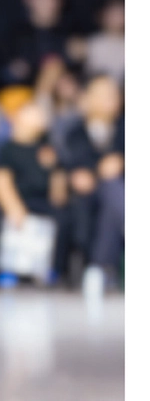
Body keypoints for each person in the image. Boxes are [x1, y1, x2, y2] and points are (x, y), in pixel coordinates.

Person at [0, 95, 69, 285]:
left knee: (63, 218)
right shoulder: (8, 149)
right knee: (3, 224)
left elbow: (58, 194)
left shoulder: (48, 149)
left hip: (43, 204)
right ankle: (8, 270)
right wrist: (14, 207)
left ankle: (51, 269)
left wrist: (54, 168)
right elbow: (1, 180)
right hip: (17, 203)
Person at [62, 73, 125, 291]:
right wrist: (95, 171)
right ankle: (102, 267)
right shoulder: (74, 132)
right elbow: (74, 167)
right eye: (104, 94)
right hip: (87, 196)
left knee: (112, 193)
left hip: (120, 191)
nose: (111, 99)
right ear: (87, 98)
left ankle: (99, 267)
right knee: (107, 189)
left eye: (114, 94)